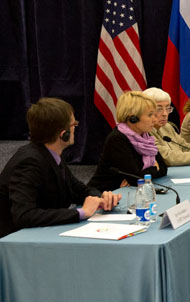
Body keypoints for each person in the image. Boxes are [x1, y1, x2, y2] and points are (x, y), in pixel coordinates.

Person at [0, 98, 121, 238]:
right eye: (74, 124)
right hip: (14, 241)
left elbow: (79, 190)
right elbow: (24, 215)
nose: (76, 127)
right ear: (64, 134)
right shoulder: (29, 162)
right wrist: (81, 212)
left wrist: (101, 197)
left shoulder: (52, 154)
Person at [88, 91, 169, 191]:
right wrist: (154, 168)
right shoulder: (117, 139)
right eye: (150, 115)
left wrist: (146, 174)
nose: (154, 119)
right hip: (104, 195)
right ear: (133, 118)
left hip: (129, 192)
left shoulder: (145, 136)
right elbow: (137, 179)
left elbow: (163, 168)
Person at [143, 87, 190, 166]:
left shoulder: (167, 127)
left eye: (167, 108)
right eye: (159, 109)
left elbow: (184, 147)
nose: (165, 114)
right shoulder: (144, 132)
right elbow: (167, 157)